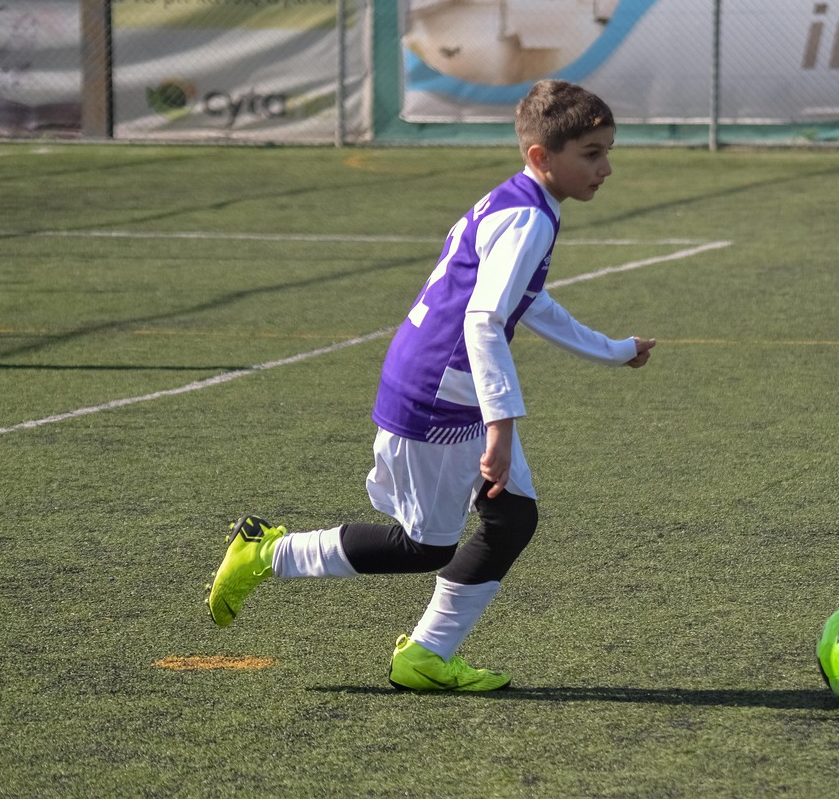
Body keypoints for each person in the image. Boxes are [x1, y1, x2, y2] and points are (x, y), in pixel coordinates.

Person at [205, 79, 656, 692]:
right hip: (441, 393)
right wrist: (501, 427)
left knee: (512, 519)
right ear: (540, 157)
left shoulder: (522, 202)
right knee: (423, 547)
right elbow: (484, 320)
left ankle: (425, 656)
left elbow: (526, 301)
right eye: (592, 153)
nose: (606, 167)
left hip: (449, 383)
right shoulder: (528, 218)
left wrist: (612, 350)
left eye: (608, 150)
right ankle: (269, 554)